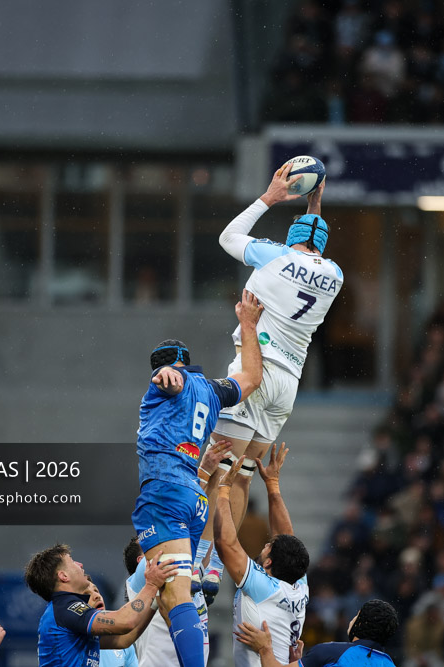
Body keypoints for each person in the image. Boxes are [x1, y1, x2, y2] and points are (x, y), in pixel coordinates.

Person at [208, 163, 343, 599]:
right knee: (245, 473)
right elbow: (311, 244)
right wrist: (314, 199)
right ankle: (218, 566)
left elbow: (229, 238)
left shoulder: (278, 256)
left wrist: (269, 197)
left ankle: (209, 561)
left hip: (255, 368)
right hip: (288, 384)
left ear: (291, 240)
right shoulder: (334, 276)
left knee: (220, 469)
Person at [132, 289, 264, 667]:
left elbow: (167, 378)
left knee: (176, 597)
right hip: (193, 496)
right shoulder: (212, 390)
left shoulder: (164, 381)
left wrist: (166, 376)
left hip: (164, 493)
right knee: (181, 593)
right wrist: (248, 325)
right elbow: (252, 377)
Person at [125, 441, 232, 667]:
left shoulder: (183, 571)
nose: (169, 540)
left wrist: (207, 472)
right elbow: (174, 517)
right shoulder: (146, 575)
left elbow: (195, 522)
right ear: (141, 562)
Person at [213, 445, 309, 667]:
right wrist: (272, 485)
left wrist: (224, 490)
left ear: (268, 563)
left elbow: (225, 543)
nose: (266, 544)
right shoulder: (298, 582)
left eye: (268, 547)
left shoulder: (264, 587)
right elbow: (287, 537)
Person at [24, 544, 174, 667]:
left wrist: (153, 601)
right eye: (72, 561)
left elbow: (124, 639)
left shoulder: (64, 611)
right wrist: (152, 585)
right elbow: (125, 622)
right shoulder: (65, 607)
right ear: (64, 576)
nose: (80, 564)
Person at [234, 598, 399, 667]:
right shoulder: (390, 663)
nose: (352, 619)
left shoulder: (330, 652)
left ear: (362, 623)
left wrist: (264, 648)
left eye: (357, 615)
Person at [84, 581, 137, 667]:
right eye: (86, 594)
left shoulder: (124, 644)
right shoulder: (68, 645)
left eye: (96, 590)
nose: (97, 596)